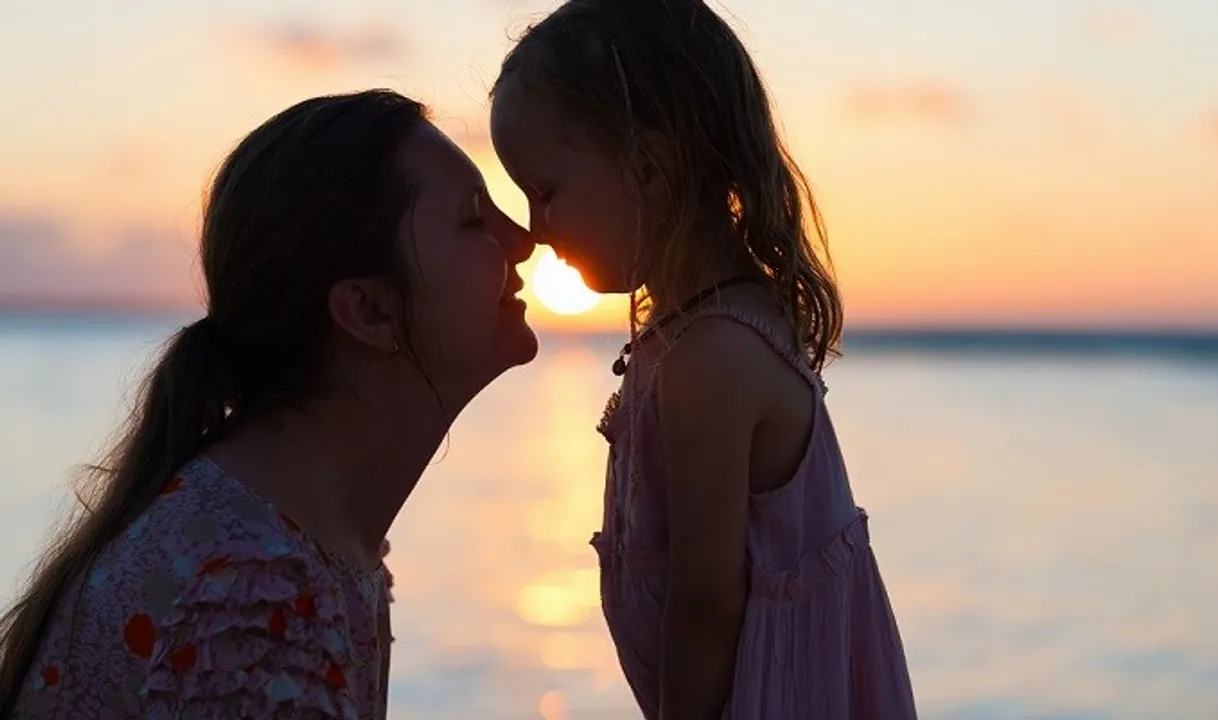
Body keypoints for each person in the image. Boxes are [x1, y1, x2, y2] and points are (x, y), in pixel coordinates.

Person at [0, 89, 537, 718]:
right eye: (474, 218)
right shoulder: (252, 604)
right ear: (367, 309)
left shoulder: (300, 544)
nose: (523, 238)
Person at [490, 1, 916, 717]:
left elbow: (704, 604)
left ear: (650, 167)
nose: (535, 231)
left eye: (547, 193)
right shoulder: (696, 338)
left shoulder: (710, 360)